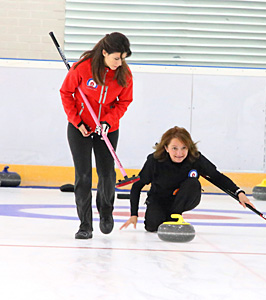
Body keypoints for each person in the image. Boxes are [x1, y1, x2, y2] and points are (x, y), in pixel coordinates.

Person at [60, 32, 133, 239]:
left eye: (123, 58)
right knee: (83, 176)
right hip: (80, 127)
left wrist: (108, 121)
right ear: (104, 53)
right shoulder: (82, 68)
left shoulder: (124, 75)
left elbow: (124, 102)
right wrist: (77, 121)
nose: (120, 63)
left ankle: (106, 211)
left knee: (107, 174)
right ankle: (85, 224)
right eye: (116, 58)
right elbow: (66, 93)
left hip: (107, 128)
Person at [120, 126, 255, 232]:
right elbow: (137, 186)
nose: (179, 153)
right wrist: (134, 214)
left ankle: (175, 215)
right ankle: (169, 216)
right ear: (166, 148)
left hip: (184, 199)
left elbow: (217, 176)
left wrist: (239, 192)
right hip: (159, 200)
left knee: (192, 182)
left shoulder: (195, 158)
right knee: (152, 227)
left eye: (184, 148)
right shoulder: (155, 160)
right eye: (174, 148)